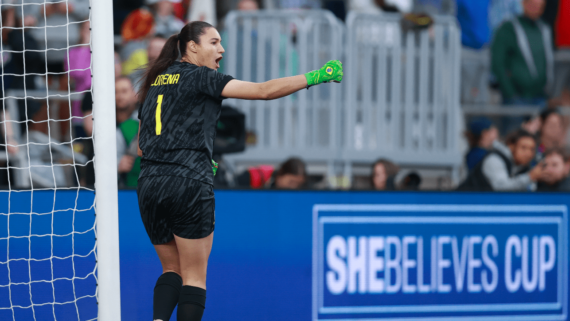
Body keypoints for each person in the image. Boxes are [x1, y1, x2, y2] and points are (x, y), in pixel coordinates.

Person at [136, 21, 343, 321]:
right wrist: (315, 76)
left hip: (149, 185)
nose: (221, 49)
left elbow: (143, 147)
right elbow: (264, 91)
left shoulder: (154, 82)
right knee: (194, 276)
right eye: (214, 42)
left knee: (172, 270)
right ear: (192, 46)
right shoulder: (202, 77)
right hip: (188, 182)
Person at [491, 0, 553, 107]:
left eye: (540, 6)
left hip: (539, 98)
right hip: (516, 99)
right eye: (533, 5)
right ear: (524, 4)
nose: (537, 9)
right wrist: (511, 94)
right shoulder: (509, 28)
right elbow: (498, 62)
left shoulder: (544, 29)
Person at [458, 129, 542, 191]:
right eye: (523, 148)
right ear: (511, 146)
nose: (528, 153)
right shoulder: (494, 159)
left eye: (532, 149)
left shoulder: (523, 167)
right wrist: (530, 177)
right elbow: (501, 188)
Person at [115, 77, 141, 188]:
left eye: (124, 91)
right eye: (115, 92)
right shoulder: (102, 127)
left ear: (135, 95)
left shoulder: (145, 121)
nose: (120, 96)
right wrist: (116, 166)